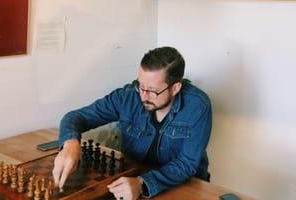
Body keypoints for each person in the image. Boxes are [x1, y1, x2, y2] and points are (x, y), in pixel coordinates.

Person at [53, 46, 212, 199]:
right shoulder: (127, 96)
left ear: (175, 88)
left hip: (184, 186)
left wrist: (142, 183)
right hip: (133, 182)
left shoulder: (198, 106)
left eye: (152, 90)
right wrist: (70, 143)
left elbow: (186, 164)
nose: (143, 96)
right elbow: (76, 117)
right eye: (141, 85)